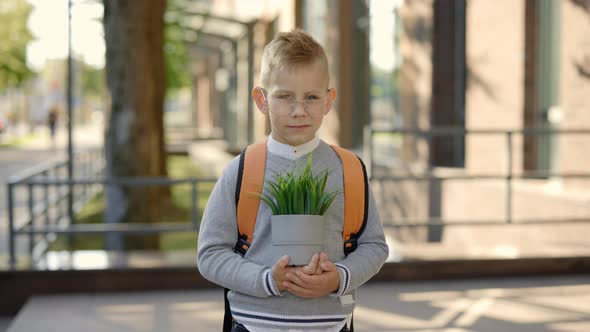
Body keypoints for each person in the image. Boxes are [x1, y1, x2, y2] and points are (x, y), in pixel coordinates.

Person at [197, 30, 389, 332]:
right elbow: (210, 254)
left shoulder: (350, 170)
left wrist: (339, 277)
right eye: (284, 97)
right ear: (261, 99)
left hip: (332, 325)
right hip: (252, 325)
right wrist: (267, 280)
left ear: (329, 100)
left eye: (311, 97)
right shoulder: (241, 169)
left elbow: (374, 246)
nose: (298, 110)